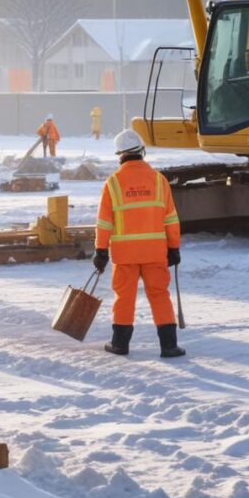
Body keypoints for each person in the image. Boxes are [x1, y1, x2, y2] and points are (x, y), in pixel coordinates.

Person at [92, 129, 185, 357]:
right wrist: (174, 247)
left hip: (125, 255)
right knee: (159, 295)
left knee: (124, 298)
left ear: (120, 155)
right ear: (141, 151)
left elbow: (104, 223)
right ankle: (169, 346)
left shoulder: (113, 183)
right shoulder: (158, 180)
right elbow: (171, 218)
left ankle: (120, 344)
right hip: (155, 253)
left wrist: (101, 251)